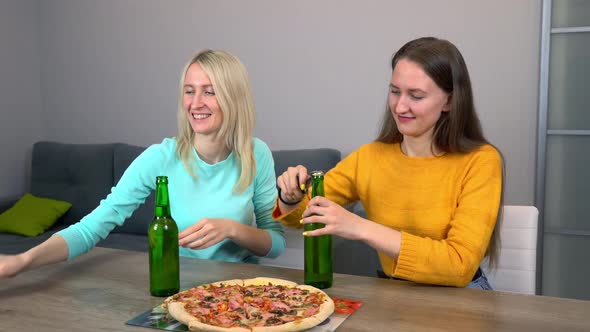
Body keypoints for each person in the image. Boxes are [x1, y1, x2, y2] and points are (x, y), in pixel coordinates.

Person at [0, 50, 285, 278]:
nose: (195, 103)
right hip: (180, 287)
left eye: (209, 91)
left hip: (243, 289)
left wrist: (233, 229)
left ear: (233, 98)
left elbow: (276, 243)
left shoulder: (256, 154)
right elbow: (91, 228)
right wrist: (22, 261)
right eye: (189, 91)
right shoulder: (160, 157)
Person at [275, 37, 503, 289]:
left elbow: (460, 266)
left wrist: (360, 227)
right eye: (395, 91)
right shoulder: (370, 157)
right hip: (393, 293)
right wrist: (290, 197)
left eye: (416, 96)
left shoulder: (481, 161)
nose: (400, 106)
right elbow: (303, 217)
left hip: (461, 300)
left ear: (449, 101)